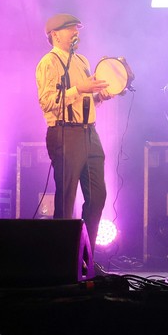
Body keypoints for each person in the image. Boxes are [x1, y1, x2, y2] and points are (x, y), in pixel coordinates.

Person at [35, 13, 112, 258]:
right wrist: (81, 88)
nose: (76, 32)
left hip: (89, 132)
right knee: (66, 197)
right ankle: (63, 258)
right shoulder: (49, 62)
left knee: (97, 195)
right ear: (55, 35)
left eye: (77, 28)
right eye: (70, 29)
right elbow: (47, 102)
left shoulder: (81, 61)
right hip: (65, 133)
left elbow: (83, 101)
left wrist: (99, 96)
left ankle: (85, 258)